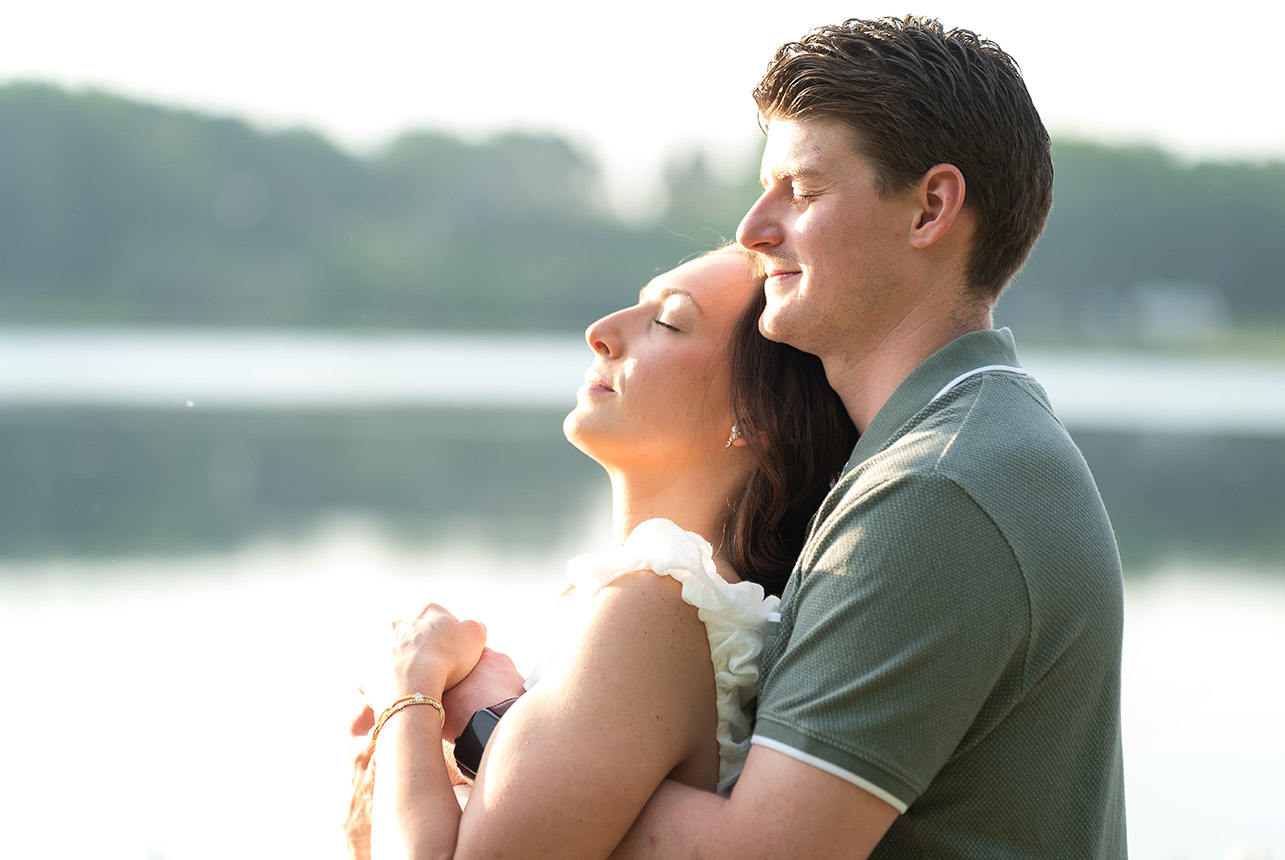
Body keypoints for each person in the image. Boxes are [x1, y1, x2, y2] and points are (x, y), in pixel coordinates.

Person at [407, 14, 1126, 860]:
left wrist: (499, 728)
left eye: (803, 189)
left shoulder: (939, 487)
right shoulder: (959, 447)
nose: (753, 227)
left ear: (931, 207)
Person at [345, 243, 858, 859]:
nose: (602, 332)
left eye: (667, 321)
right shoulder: (662, 609)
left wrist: (409, 684)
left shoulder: (653, 608)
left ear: (754, 416)